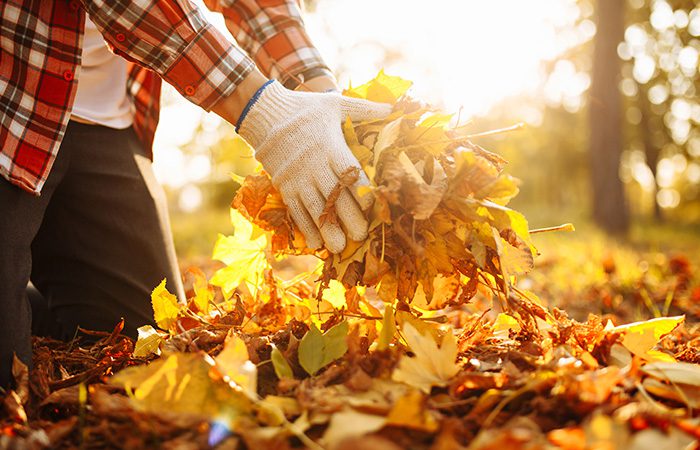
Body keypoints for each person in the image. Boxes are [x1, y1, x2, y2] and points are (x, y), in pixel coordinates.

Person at [0, 0, 391, 388]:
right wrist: (263, 110)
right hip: (10, 100)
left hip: (102, 121)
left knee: (141, 344)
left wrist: (318, 99)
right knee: (7, 382)